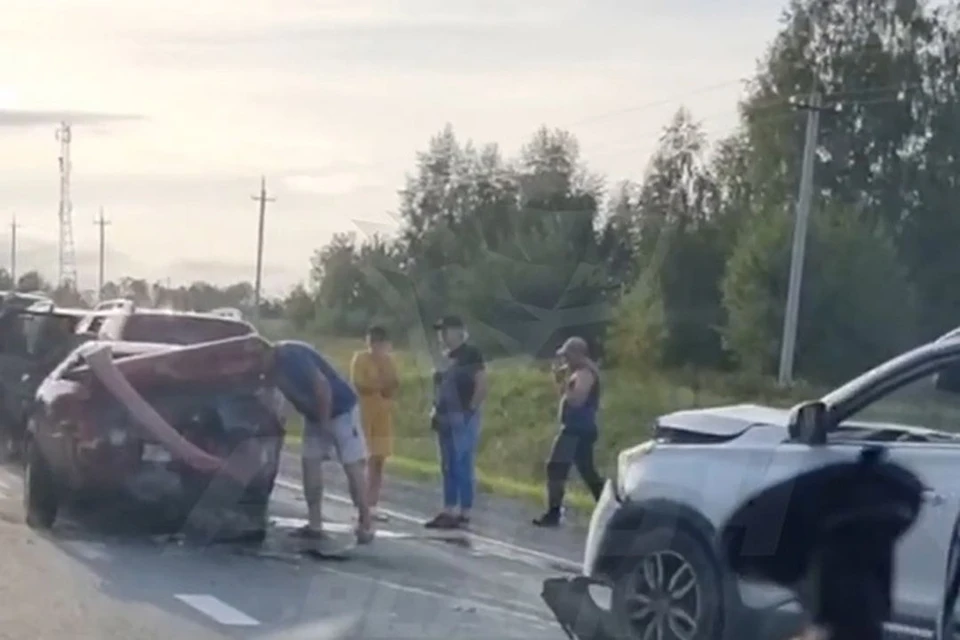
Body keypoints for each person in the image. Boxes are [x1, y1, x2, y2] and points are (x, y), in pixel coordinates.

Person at [271, 339, 374, 544]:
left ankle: (366, 521)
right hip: (314, 414)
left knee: (352, 465)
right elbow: (282, 400)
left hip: (341, 408)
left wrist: (325, 425)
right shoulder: (267, 369)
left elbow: (322, 386)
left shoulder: (291, 355)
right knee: (310, 463)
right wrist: (278, 424)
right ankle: (314, 523)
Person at [533, 336, 605, 527]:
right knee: (588, 471)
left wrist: (564, 384)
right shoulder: (582, 371)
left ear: (577, 354)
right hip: (582, 428)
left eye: (568, 356)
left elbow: (576, 400)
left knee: (556, 467)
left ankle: (554, 512)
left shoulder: (584, 373)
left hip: (575, 429)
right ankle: (610, 506)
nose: (565, 360)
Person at [424, 315, 487, 529]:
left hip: (462, 413)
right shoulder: (445, 357)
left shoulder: (470, 354)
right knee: (447, 464)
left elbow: (481, 383)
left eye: (446, 331)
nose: (442, 336)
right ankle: (449, 508)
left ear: (458, 331)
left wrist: (471, 409)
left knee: (461, 463)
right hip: (445, 415)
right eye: (440, 332)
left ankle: (464, 510)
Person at [349, 325, 399, 522]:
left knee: (378, 460)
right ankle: (360, 503)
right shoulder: (360, 359)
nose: (375, 347)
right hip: (363, 414)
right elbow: (360, 385)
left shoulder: (389, 361)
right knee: (361, 459)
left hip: (382, 415)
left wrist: (380, 387)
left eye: (378, 343)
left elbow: (394, 384)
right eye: (372, 343)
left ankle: (373, 504)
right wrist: (380, 386)